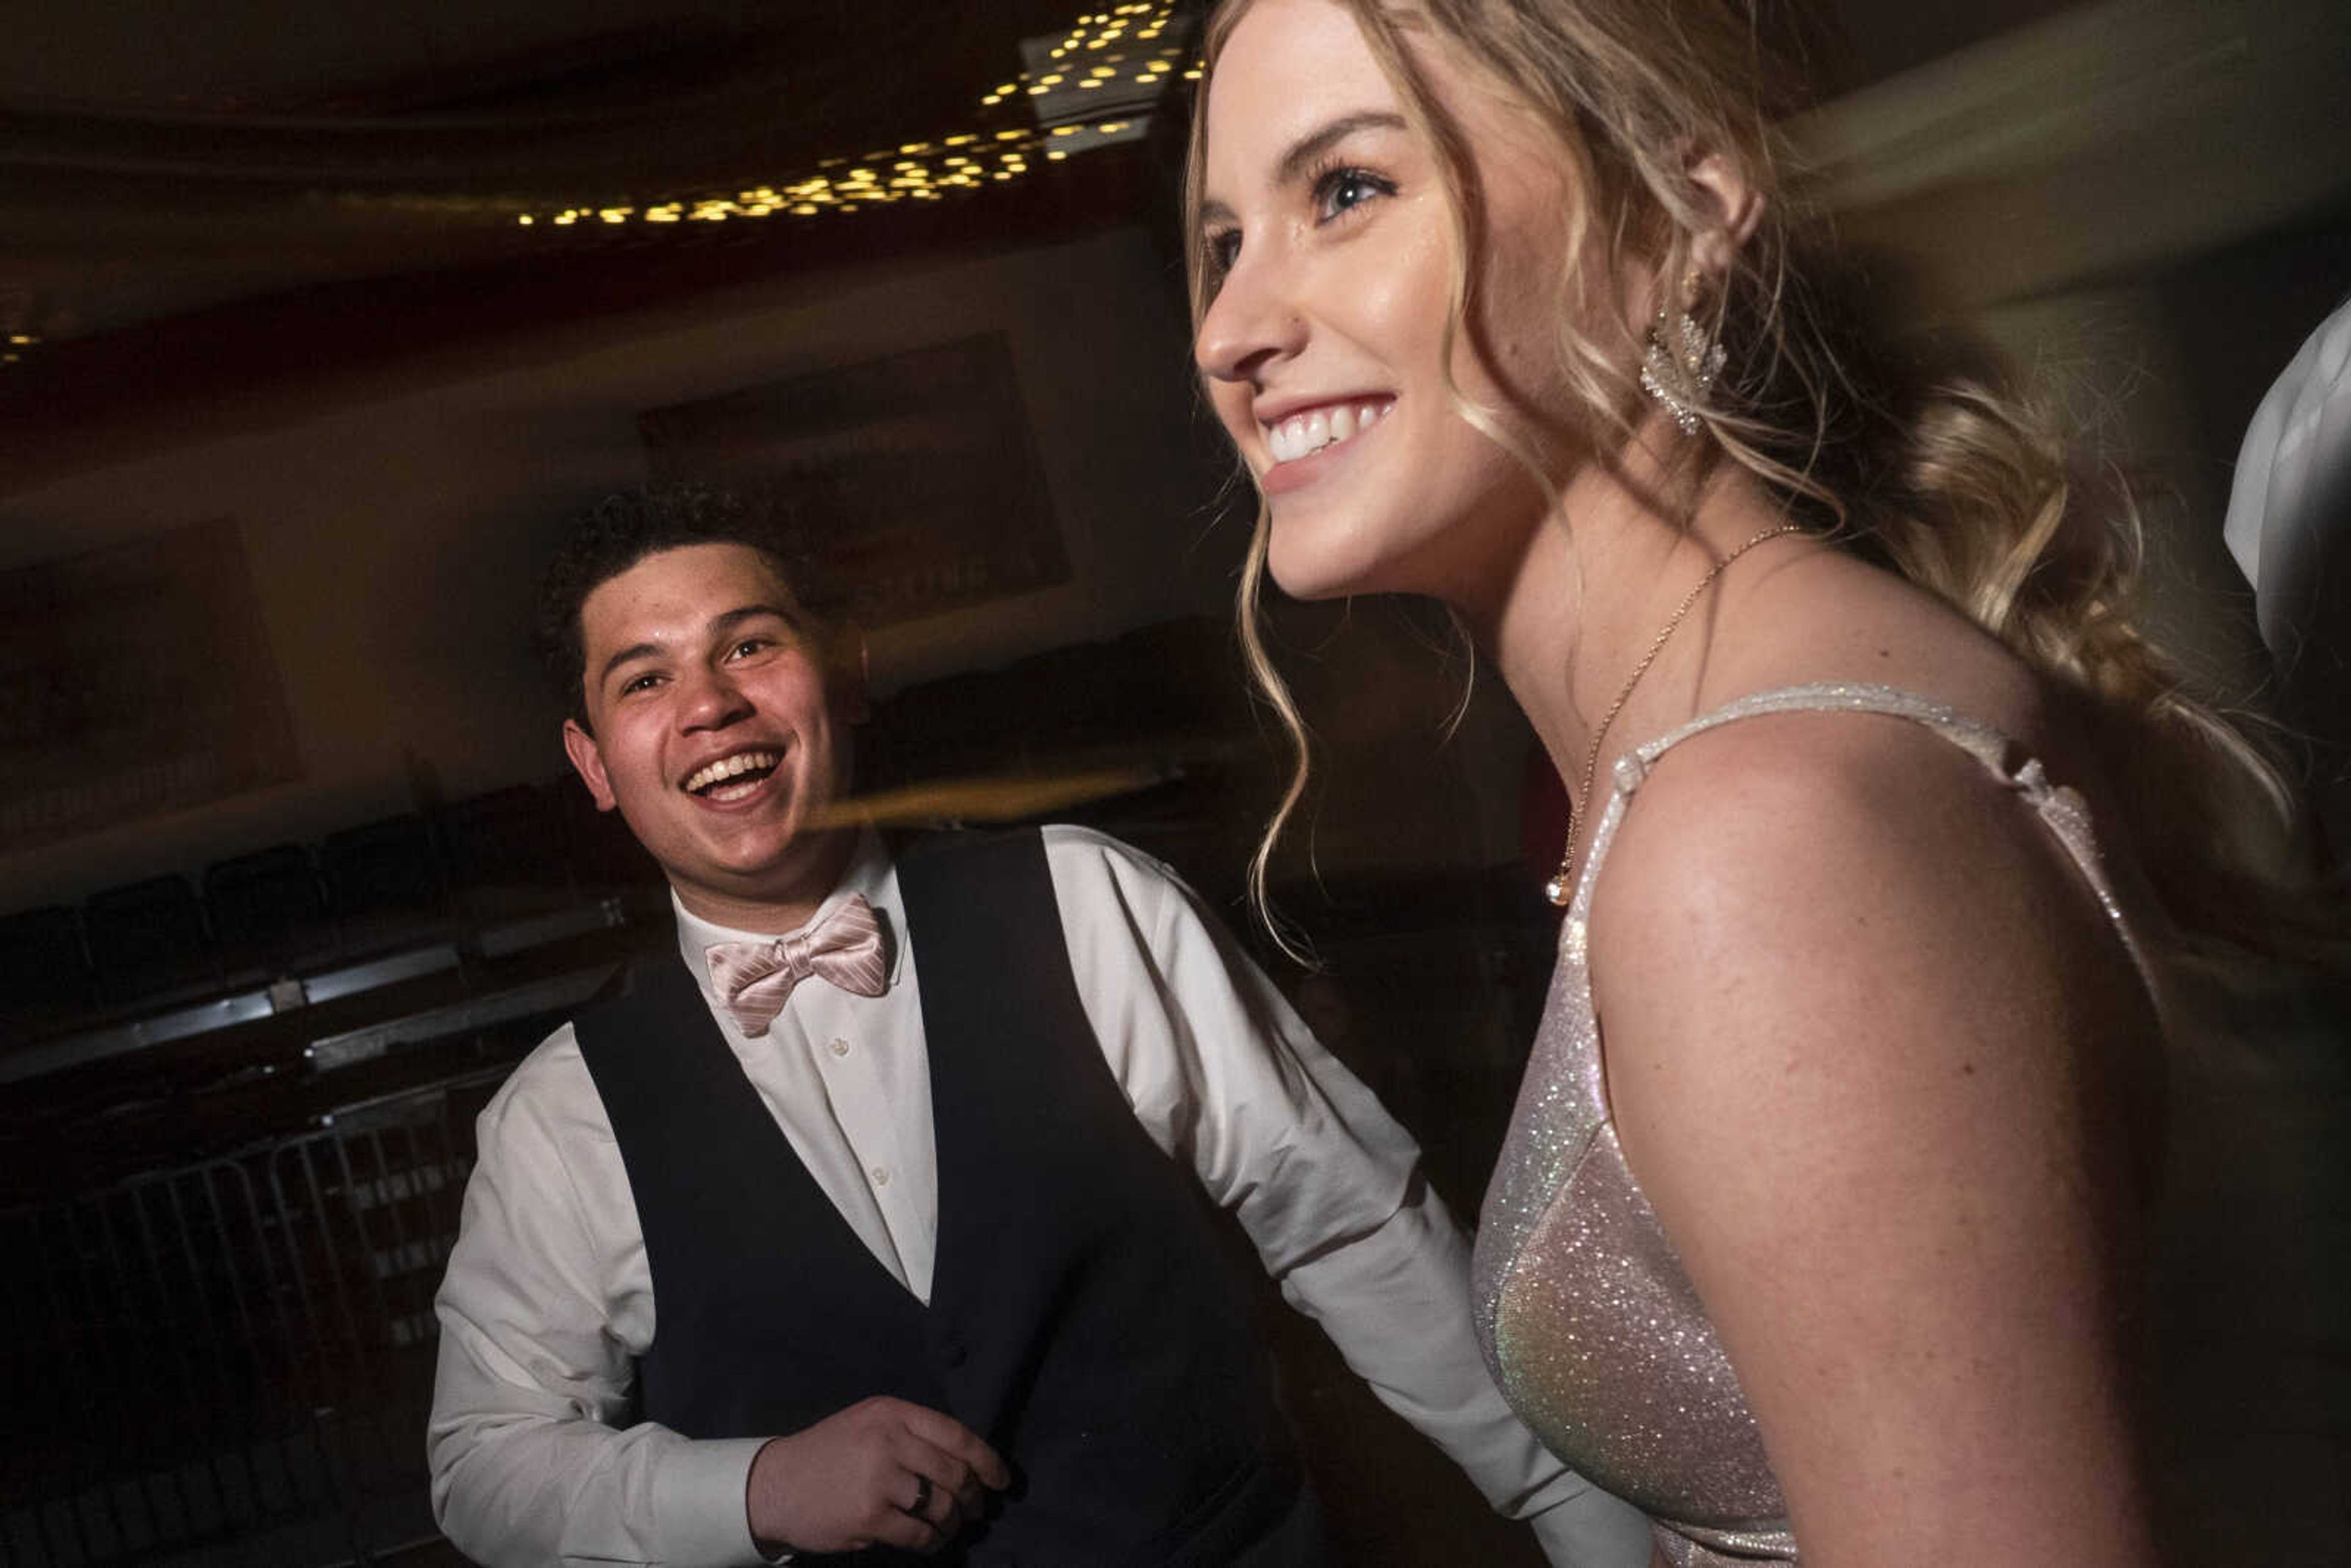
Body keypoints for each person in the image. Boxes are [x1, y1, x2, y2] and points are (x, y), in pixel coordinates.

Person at [1182, 1, 2336, 1564]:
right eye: (1221, 241)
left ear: (1674, 221)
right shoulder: (1749, 732)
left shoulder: (1766, 835)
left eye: (1344, 192)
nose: (1230, 330)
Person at [427, 487, 1654, 1567]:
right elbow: (483, 1467)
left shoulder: (1086, 901)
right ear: (595, 764)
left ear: (842, 675)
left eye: (749, 644)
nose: (708, 705)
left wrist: (1574, 1503)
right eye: (646, 678)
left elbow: (1350, 1224)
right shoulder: (559, 1115)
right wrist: (753, 1488)